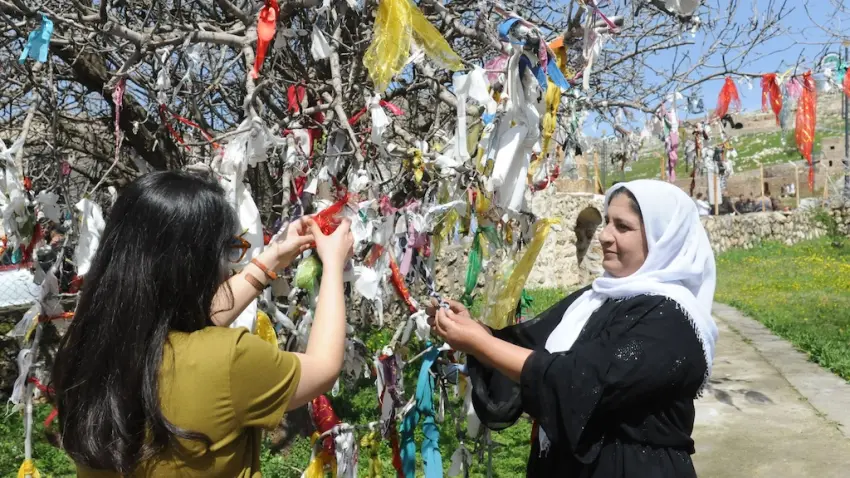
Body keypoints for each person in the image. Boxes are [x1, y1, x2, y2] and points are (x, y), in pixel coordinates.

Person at [52, 171, 354, 477]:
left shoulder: (83, 349)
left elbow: (183, 326)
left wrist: (273, 258)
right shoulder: (230, 361)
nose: (227, 267)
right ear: (194, 266)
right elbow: (323, 368)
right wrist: (332, 266)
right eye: (226, 252)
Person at [428, 179, 718, 477]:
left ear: (663, 237)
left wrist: (480, 343)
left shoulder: (673, 319)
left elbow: (581, 379)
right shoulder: (596, 299)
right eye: (607, 222)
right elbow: (533, 349)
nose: (604, 236)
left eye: (623, 226)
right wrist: (477, 332)